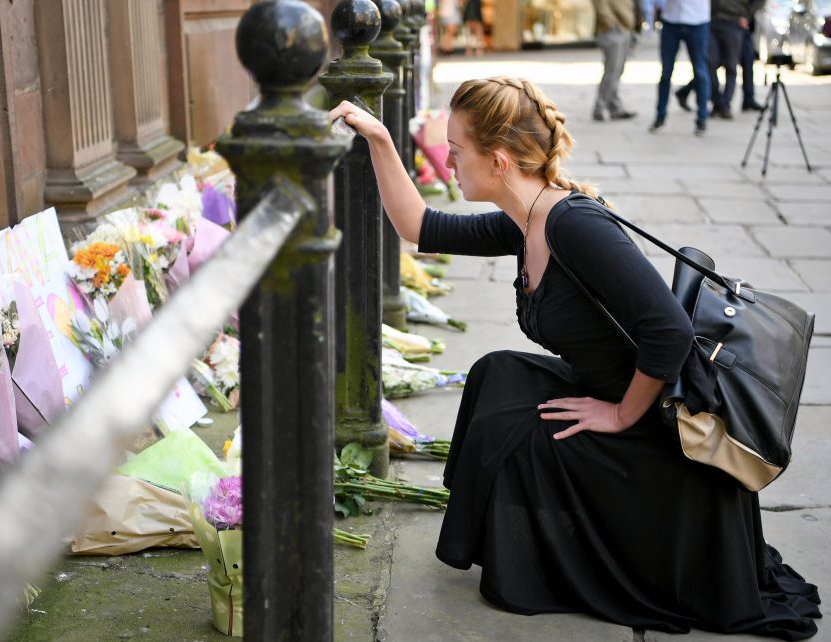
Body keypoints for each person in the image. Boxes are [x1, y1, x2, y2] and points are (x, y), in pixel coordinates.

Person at [329, 77, 822, 638]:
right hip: (609, 385)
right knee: (497, 375)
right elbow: (420, 226)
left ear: (498, 160)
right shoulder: (526, 218)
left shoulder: (574, 224)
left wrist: (617, 416)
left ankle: (555, 560)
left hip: (659, 429)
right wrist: (378, 139)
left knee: (520, 435)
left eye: (456, 151)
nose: (447, 162)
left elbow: (669, 331)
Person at [650, 0, 711, 134]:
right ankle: (660, 116)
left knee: (700, 72)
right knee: (666, 73)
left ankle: (702, 117)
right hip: (671, 20)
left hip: (697, 20)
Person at [592, 0, 639, 121]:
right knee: (611, 71)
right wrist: (611, 24)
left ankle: (614, 106)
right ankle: (600, 107)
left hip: (625, 27)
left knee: (618, 70)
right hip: (613, 29)